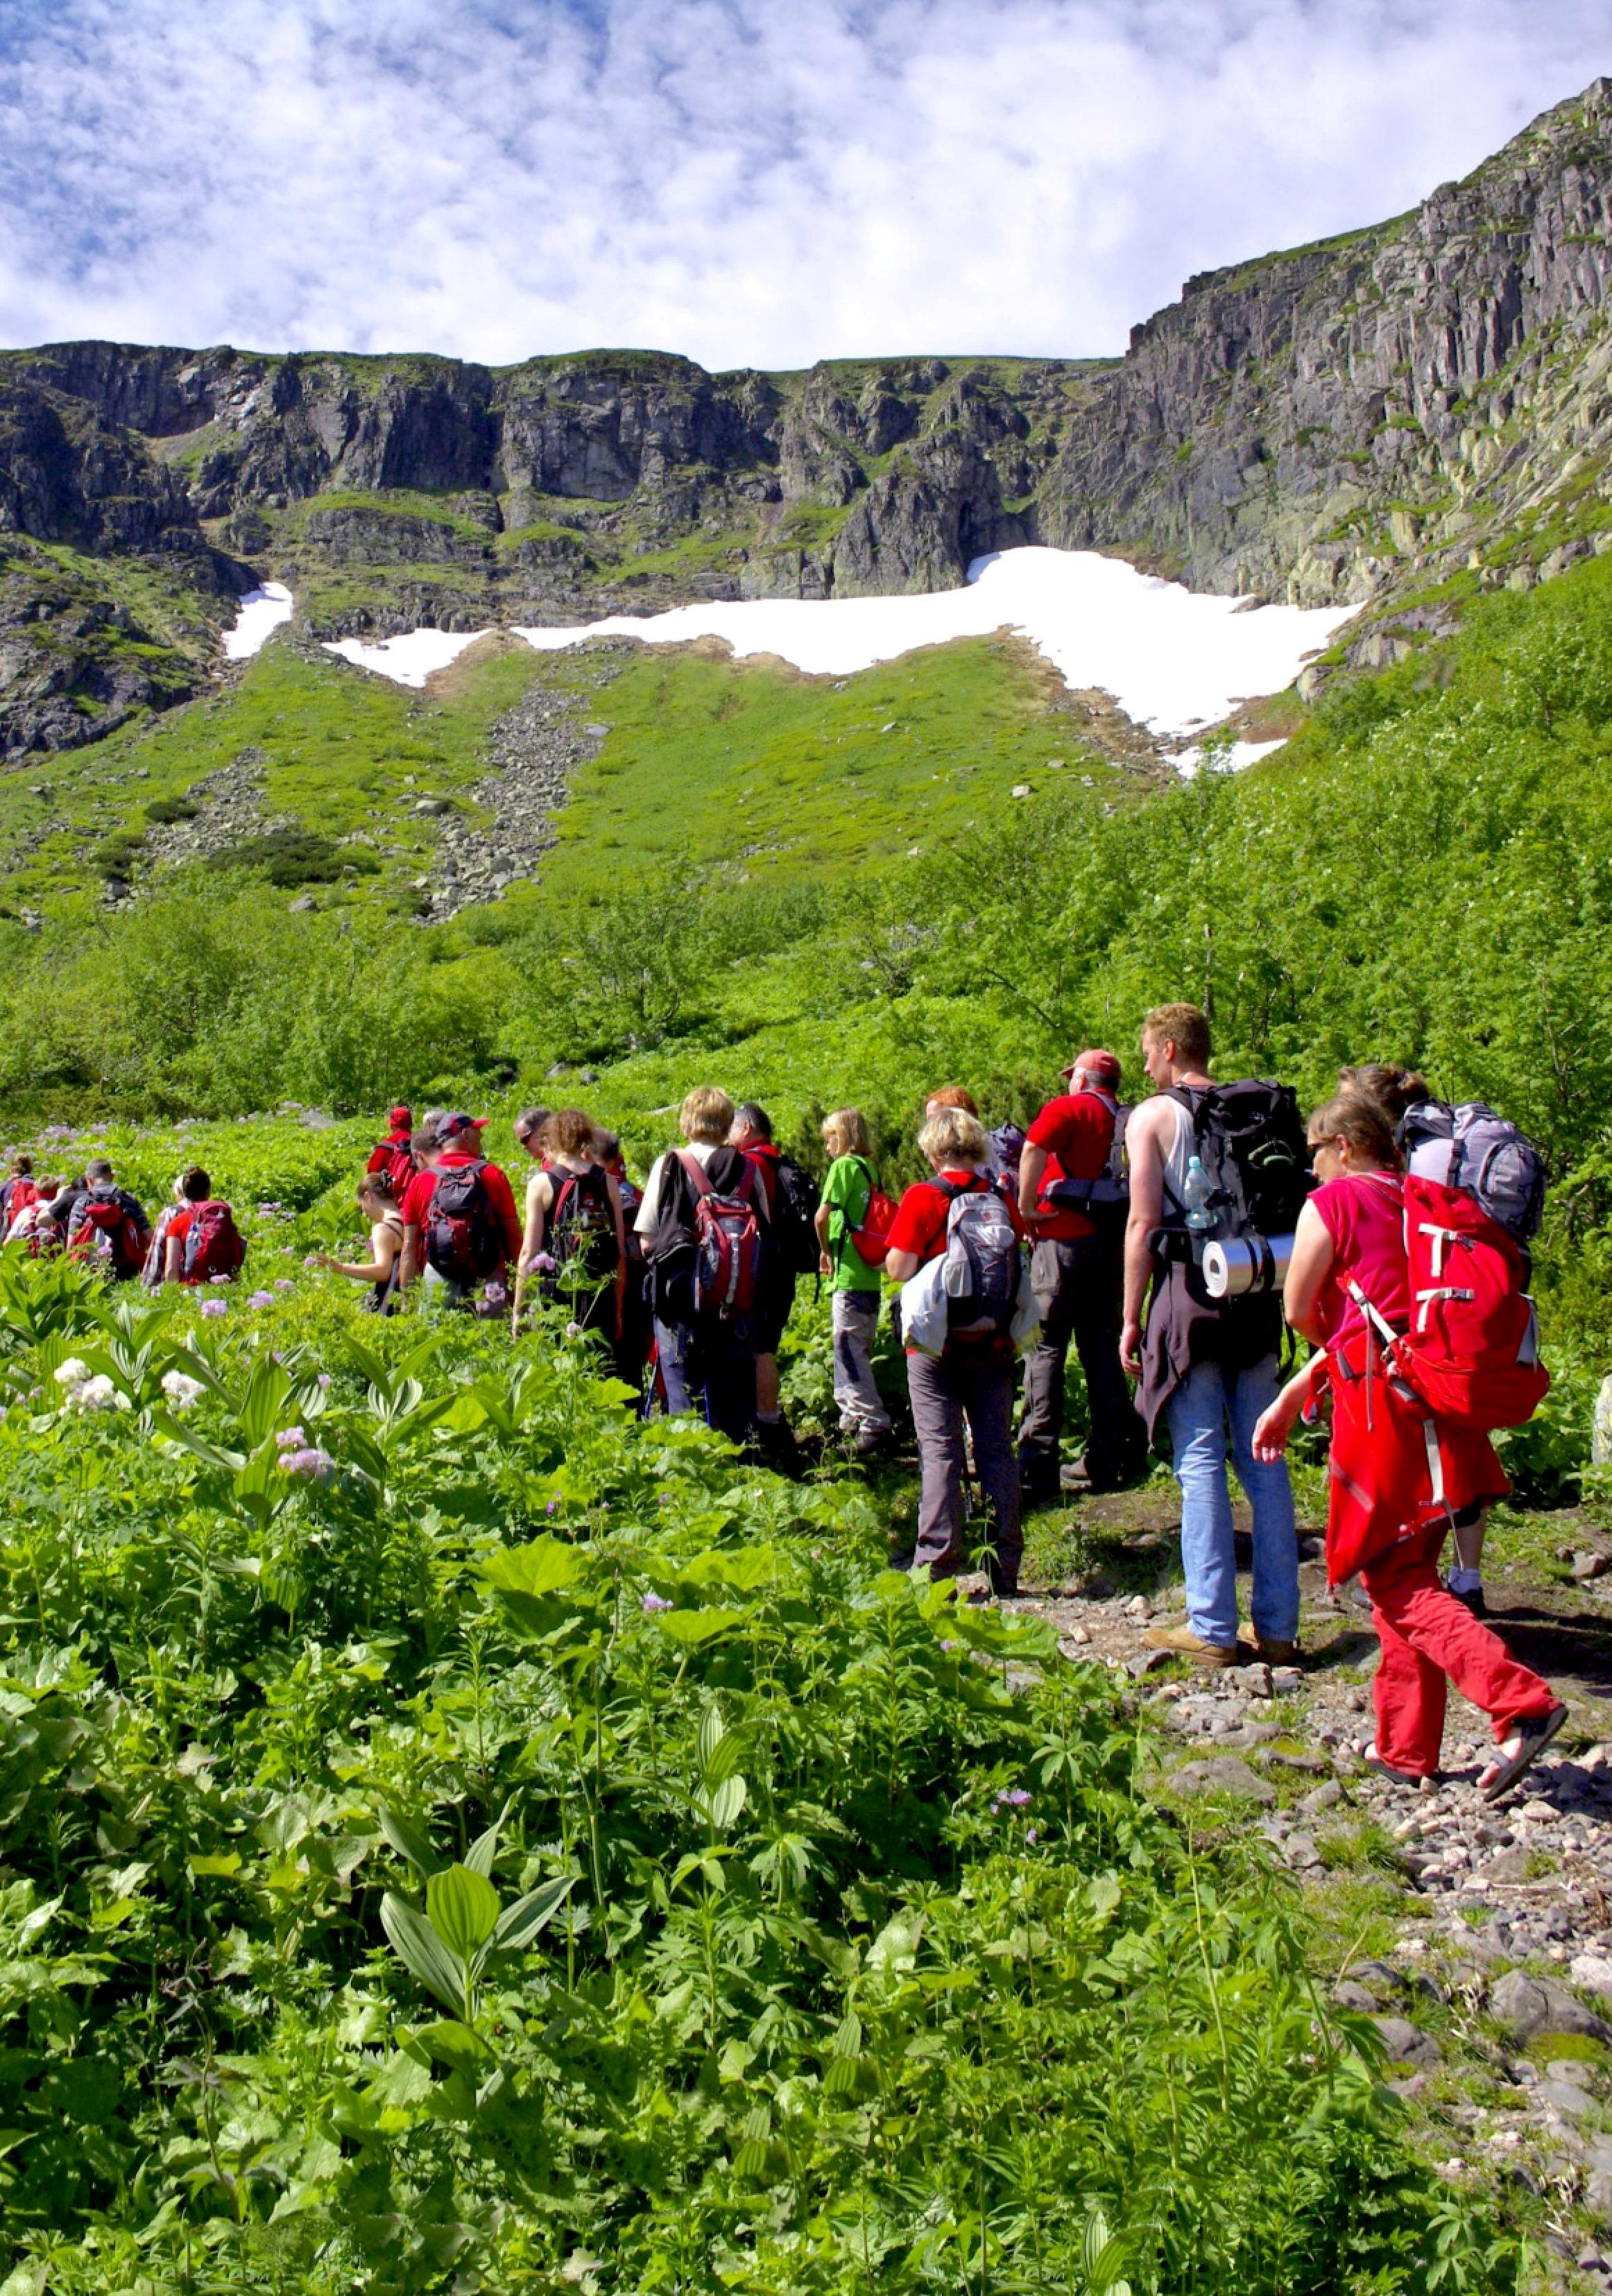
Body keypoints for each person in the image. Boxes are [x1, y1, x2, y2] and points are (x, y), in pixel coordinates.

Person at [1252, 1090, 1566, 1796]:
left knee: (1391, 1576)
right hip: (1439, 1391)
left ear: (1341, 1146)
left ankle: (1521, 1704)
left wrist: (1328, 1363)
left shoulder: (1332, 1205)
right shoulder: (1424, 1199)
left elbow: (1300, 1308)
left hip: (1379, 1407)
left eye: (1315, 1153)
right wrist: (1302, 1387)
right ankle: (1405, 1747)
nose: (1312, 1168)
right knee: (1407, 1564)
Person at [1122, 1003, 1301, 1668]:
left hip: (1189, 1299)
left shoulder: (1154, 1116)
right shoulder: (1250, 1109)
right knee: (1264, 1458)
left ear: (1170, 1049)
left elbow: (1142, 1226)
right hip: (1255, 1291)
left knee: (1199, 1458)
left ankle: (1212, 1628)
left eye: (1147, 1051)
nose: (1143, 1063)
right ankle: (1280, 1628)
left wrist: (1130, 1317)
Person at [884, 1104, 1027, 1598]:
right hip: (993, 1342)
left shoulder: (924, 1197)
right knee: (995, 1450)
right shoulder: (1001, 1197)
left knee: (940, 1450)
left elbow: (899, 1269)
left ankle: (936, 1566)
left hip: (935, 1348)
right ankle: (1004, 1566)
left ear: (933, 1149)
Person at [1017, 1048, 1142, 1501]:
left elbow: (1033, 1147)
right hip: (1113, 1248)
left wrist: (1026, 1207)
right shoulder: (1134, 1119)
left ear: (1085, 1079)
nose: (1069, 1081)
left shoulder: (1067, 1108)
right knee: (1102, 1353)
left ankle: (1037, 1467)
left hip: (1060, 1243)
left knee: (1045, 1348)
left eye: (1073, 1075)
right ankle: (1108, 1460)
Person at [636, 1087, 769, 1446]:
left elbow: (647, 1238)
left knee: (684, 1401)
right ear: (728, 1123)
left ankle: (692, 1478)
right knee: (736, 1405)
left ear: (687, 1120)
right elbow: (763, 1235)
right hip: (734, 1302)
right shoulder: (747, 1167)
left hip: (680, 1304)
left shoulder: (670, 1164)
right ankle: (744, 1476)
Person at [730, 1102, 816, 1466]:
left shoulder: (751, 1164)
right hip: (783, 1267)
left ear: (746, 1128)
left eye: (732, 1128)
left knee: (759, 1347)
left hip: (761, 1267)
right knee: (768, 1344)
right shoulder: (783, 1161)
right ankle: (770, 1420)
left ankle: (766, 1425)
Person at [814, 1107, 893, 1453]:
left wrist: (825, 1250)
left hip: (847, 1271)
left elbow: (823, 1216)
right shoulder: (868, 1170)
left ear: (841, 1137)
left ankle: (872, 1421)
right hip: (868, 1275)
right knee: (851, 1345)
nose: (827, 1146)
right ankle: (850, 1418)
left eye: (830, 1138)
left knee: (848, 1349)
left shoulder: (843, 1167)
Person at [512, 1108, 626, 1339]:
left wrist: (519, 1312)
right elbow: (620, 1252)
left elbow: (528, 1253)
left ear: (551, 1141)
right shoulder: (608, 1181)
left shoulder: (541, 1184)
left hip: (556, 1296)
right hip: (599, 1296)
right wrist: (618, 1307)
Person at [401, 1113, 522, 1310]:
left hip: (439, 1276)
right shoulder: (492, 1174)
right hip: (489, 1276)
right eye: (478, 1134)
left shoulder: (420, 1181)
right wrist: (520, 1288)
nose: (481, 1141)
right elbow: (514, 1237)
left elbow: (409, 1246)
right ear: (465, 1135)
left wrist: (407, 1298)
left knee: (439, 1336)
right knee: (491, 1338)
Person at [595, 1126, 653, 1389]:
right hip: (640, 1289)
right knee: (633, 1365)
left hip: (612, 1289)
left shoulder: (598, 1195)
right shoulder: (638, 1194)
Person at [311, 1176, 405, 1312]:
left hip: (390, 1298)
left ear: (368, 1197)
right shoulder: (405, 1221)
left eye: (362, 1208)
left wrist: (341, 1267)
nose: (365, 1215)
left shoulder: (383, 1229)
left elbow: (382, 1271)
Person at [52, 1158, 152, 1281]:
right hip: (127, 1272)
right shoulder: (129, 1200)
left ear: (89, 1179)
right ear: (112, 1176)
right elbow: (149, 1237)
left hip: (90, 1274)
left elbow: (72, 1245)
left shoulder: (82, 1203)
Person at [162, 1167, 246, 1285]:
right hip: (227, 1285)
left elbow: (171, 1269)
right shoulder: (221, 1218)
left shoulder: (177, 1223)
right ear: (208, 1191)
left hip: (193, 1288)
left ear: (184, 1192)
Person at [368, 1106, 415, 1197]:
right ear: (411, 1124)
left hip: (392, 1197)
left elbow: (372, 1175)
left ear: (391, 1124)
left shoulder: (385, 1146)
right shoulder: (420, 1143)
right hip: (416, 1195)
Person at [7, 1176, 60, 1251]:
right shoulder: (64, 1211)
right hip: (58, 1258)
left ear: (36, 1191)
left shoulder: (27, 1212)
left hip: (31, 1259)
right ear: (57, 1190)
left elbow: (11, 1238)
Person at [0, 1154, 36, 1231]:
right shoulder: (37, 1185)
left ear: (11, 1168)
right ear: (30, 1168)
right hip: (31, 1230)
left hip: (10, 1231)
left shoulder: (4, 1187)